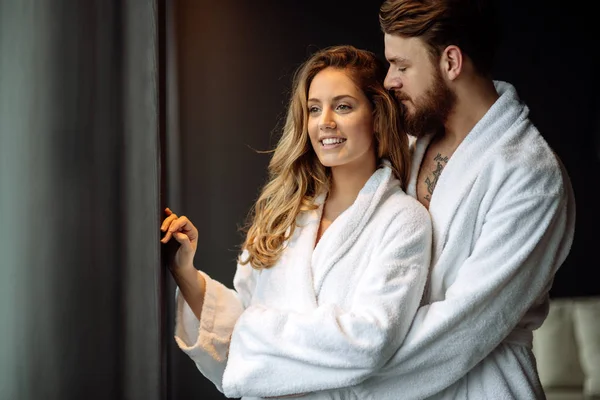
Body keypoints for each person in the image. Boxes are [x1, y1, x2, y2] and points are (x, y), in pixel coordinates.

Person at [160, 45, 433, 399]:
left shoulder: (404, 221)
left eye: (343, 106)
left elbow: (369, 341)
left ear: (377, 116)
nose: (325, 122)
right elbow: (234, 336)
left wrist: (254, 332)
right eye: (314, 109)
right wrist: (186, 272)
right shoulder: (285, 214)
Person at [355, 0, 574, 399]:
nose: (389, 81)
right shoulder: (409, 142)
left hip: (484, 385)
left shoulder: (531, 175)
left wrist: (341, 384)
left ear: (451, 62)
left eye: (402, 66)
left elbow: (465, 328)